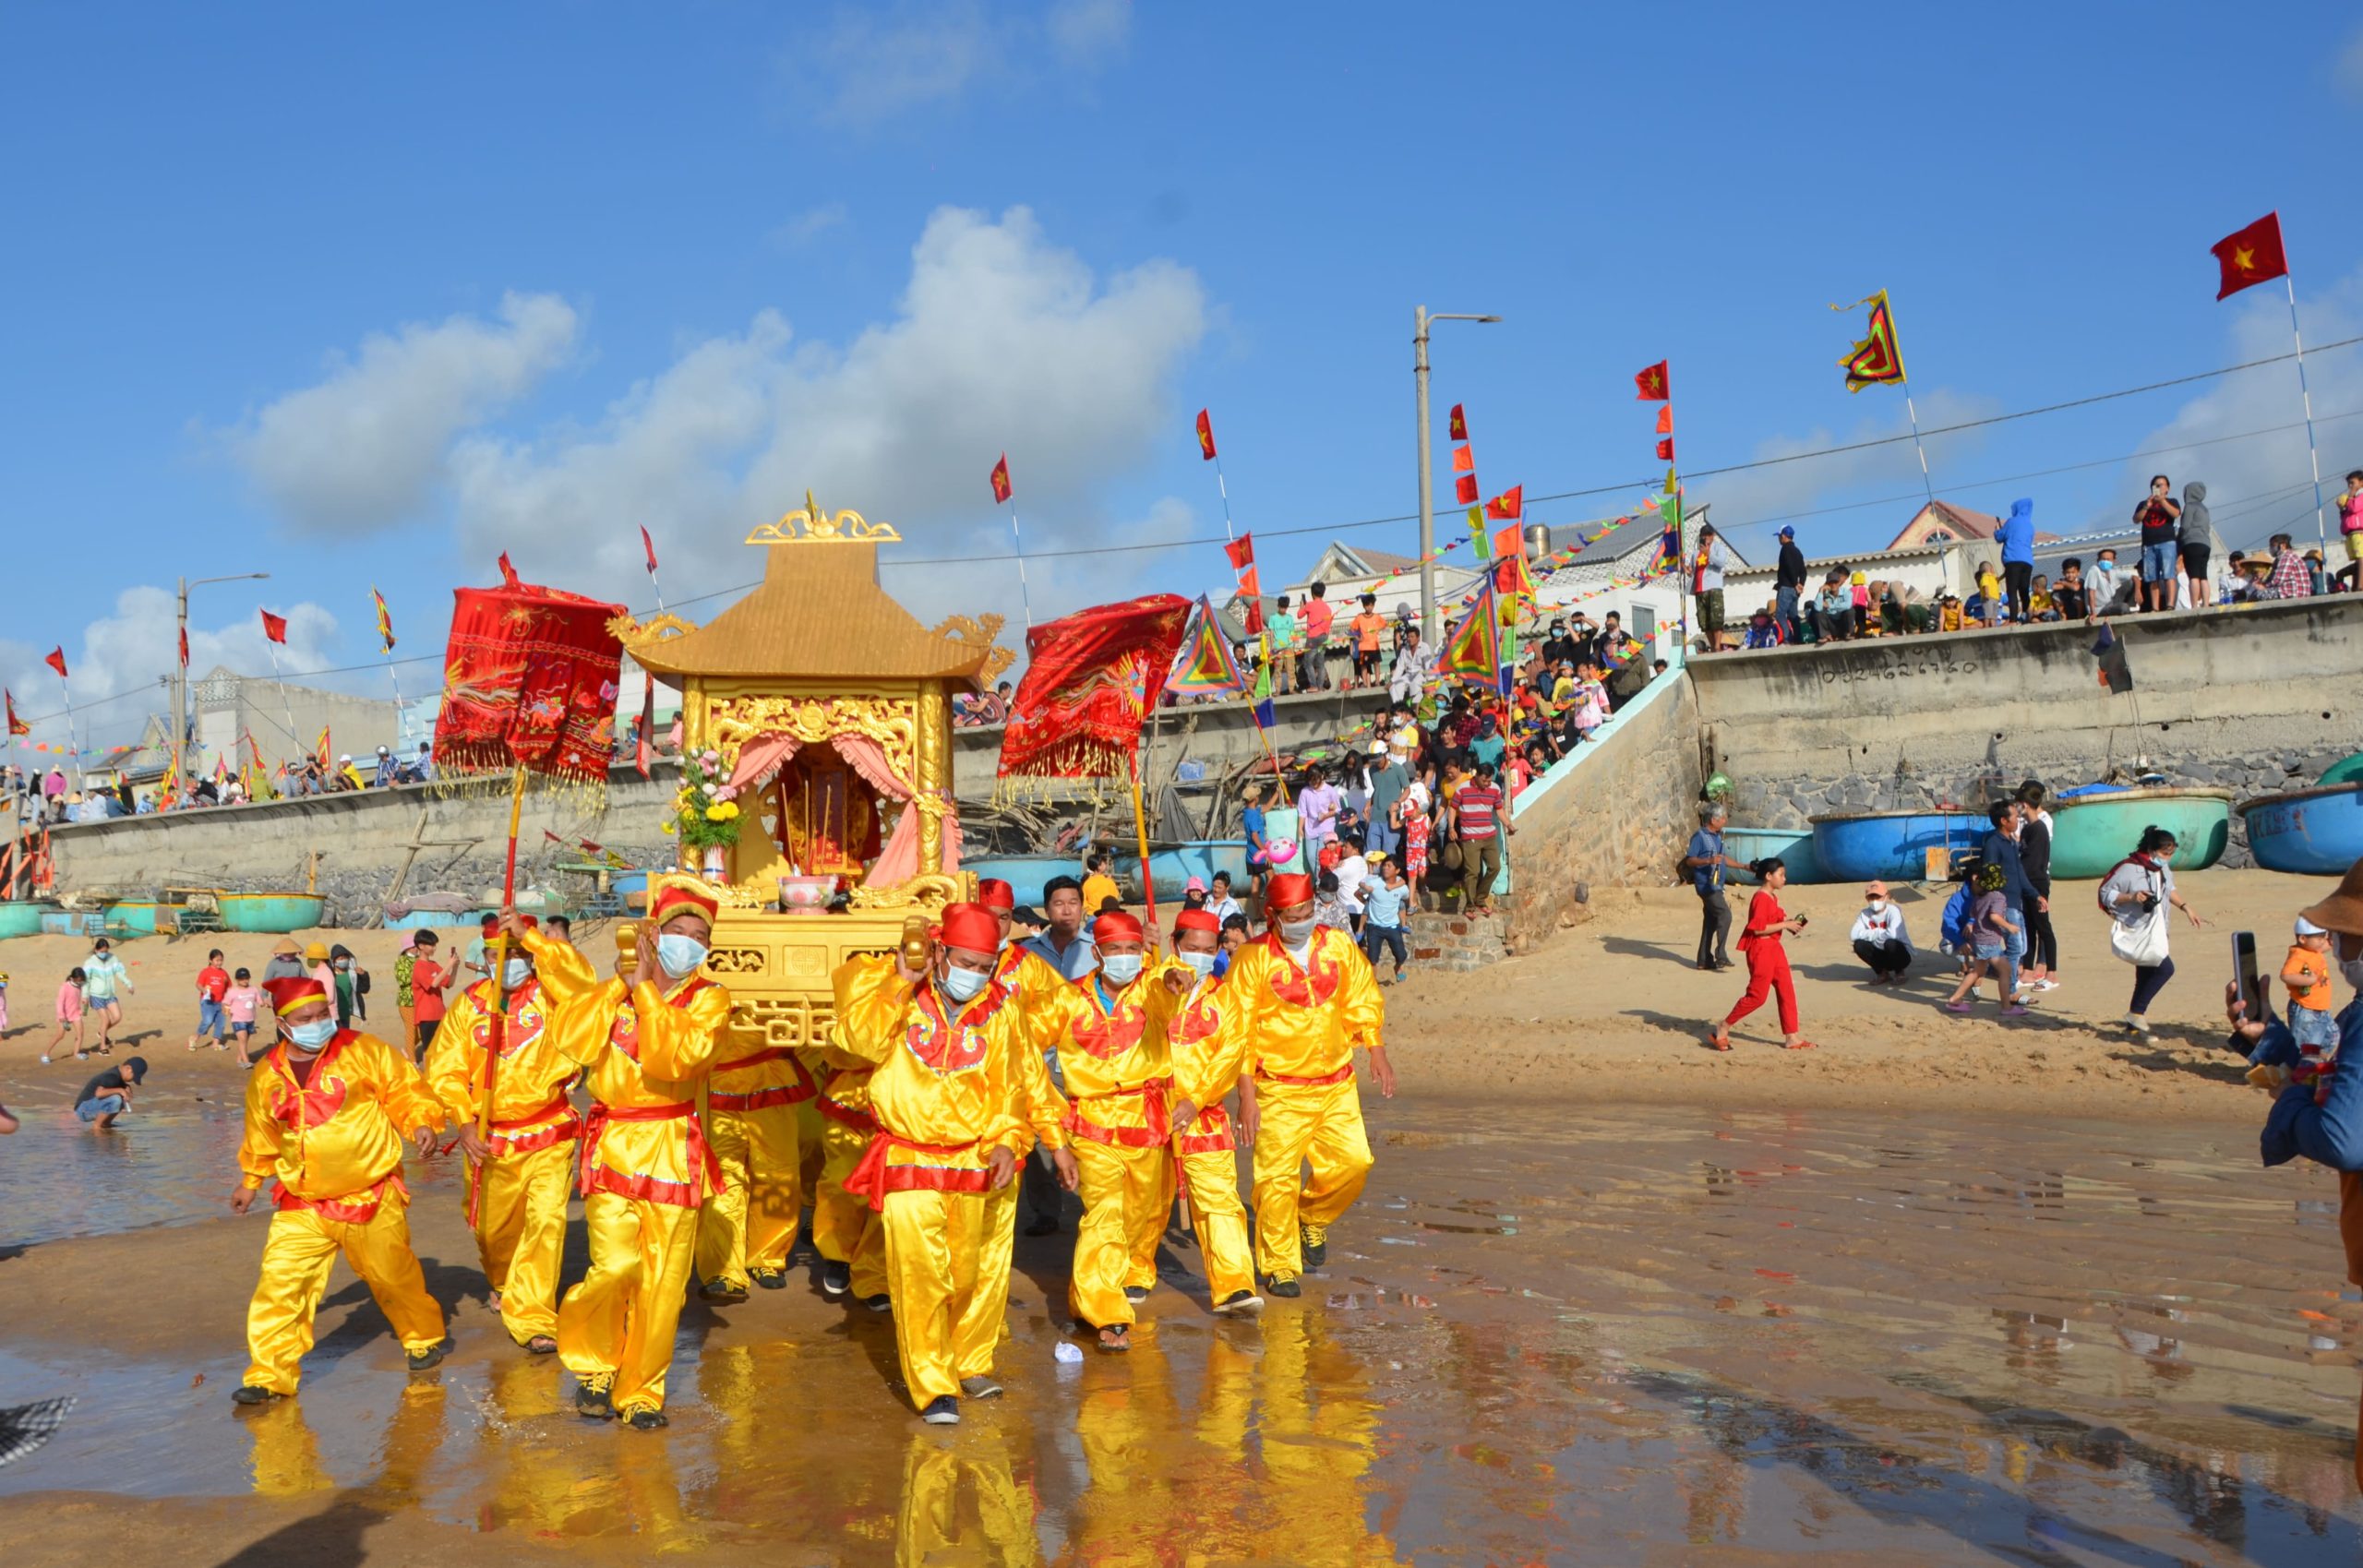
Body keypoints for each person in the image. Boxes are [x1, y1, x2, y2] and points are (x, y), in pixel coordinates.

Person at [830, 903, 1056, 1425]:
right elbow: (852, 1045)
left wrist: (1008, 1139)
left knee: (972, 1271)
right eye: (965, 961)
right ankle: (933, 1386)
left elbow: (1013, 1085)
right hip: (910, 1155)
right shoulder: (897, 997)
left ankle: (971, 1362)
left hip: (974, 1156)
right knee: (920, 1274)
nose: (974, 974)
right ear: (938, 952)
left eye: (985, 964)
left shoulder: (1002, 1012)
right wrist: (899, 984)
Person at [537, 882, 733, 1429]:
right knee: (615, 1266)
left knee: (664, 1282)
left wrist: (646, 993)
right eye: (678, 933)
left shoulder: (711, 999)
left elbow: (679, 1059)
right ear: (652, 934)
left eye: (700, 937)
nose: (689, 944)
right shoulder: (613, 992)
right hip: (615, 1144)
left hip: (673, 1145)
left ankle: (641, 1391)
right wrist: (619, 988)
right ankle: (596, 1365)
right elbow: (571, 1040)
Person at [1171, 871, 1394, 1299]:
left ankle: (1311, 1217)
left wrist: (1375, 1046)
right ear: (1273, 916)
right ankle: (1279, 1264)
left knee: (1354, 1164)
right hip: (1279, 1087)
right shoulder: (1252, 959)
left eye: (1309, 912)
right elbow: (1241, 1032)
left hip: (1336, 1083)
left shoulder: (1338, 945)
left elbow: (1361, 996)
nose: (1304, 921)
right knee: (1275, 1180)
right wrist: (1247, 1098)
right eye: (1294, 915)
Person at [228, 976, 449, 1406]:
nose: (317, 1023)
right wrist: (251, 1181)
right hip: (302, 1201)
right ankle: (270, 1374)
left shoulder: (364, 1051)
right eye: (305, 1018)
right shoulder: (267, 1074)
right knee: (280, 1285)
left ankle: (421, 1337)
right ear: (283, 1023)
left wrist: (420, 1121)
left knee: (392, 1276)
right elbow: (261, 1133)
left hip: (370, 1193)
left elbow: (405, 1090)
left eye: (322, 1014)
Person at [422, 912, 581, 1355]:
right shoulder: (467, 1006)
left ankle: (533, 1316)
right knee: (493, 1233)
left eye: (514, 954)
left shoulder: (553, 996)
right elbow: (444, 1070)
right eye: (496, 953)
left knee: (546, 1222)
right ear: (485, 956)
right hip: (488, 1140)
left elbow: (581, 978)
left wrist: (531, 938)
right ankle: (503, 1281)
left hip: (549, 1130)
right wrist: (465, 1122)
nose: (504, 961)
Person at [1022, 911, 1176, 1352]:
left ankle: (1088, 1293)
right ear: (1097, 953)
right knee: (1103, 1216)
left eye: (1132, 950)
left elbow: (1170, 994)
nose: (1124, 958)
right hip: (1091, 1122)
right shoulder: (1067, 999)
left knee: (1139, 1215)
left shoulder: (1151, 987)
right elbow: (1023, 1040)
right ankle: (1108, 1312)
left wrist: (1168, 972)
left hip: (1145, 1118)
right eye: (1115, 950)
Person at [1161, 909, 1263, 1316]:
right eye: (1191, 949)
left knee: (1220, 1202)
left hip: (1203, 1114)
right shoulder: (1150, 986)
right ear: (1174, 945)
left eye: (1208, 950)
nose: (1199, 957)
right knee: (1143, 1202)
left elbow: (1229, 1057)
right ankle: (1132, 1274)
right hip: (1150, 1112)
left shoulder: (1227, 1000)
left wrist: (1196, 1099)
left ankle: (1234, 1286)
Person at [2098, 825, 2201, 1036]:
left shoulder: (2161, 868)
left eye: (2171, 854)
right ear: (2152, 850)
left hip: (2158, 928)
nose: (2167, 859)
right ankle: (2137, 1014)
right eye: (2164, 854)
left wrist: (2185, 907)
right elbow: (2105, 893)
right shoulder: (2128, 868)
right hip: (2137, 928)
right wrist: (2132, 897)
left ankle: (2132, 1026)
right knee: (2164, 969)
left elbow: (2169, 889)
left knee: (2145, 975)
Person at [1709, 858, 1813, 1051]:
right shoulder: (1760, 898)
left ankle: (1792, 1037)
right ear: (1768, 876)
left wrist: (1789, 924)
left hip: (1774, 948)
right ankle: (1723, 1027)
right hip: (1761, 950)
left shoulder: (1772, 897)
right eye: (1781, 874)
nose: (1784, 878)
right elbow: (1757, 929)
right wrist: (1785, 925)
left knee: (1786, 990)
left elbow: (1771, 922)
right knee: (1757, 996)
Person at [1981, 799, 2042, 1009]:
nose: (2018, 819)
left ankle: (1996, 969)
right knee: (2016, 947)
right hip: (2004, 904)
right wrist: (1995, 903)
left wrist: (2035, 895)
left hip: (2017, 902)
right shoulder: (1993, 844)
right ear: (2003, 820)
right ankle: (2010, 990)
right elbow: (1989, 876)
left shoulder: (2011, 842)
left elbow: (2020, 874)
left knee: (2021, 947)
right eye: (2015, 816)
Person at [1942, 865, 2024, 1015]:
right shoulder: (1998, 897)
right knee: (2006, 970)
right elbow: (1994, 916)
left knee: (1978, 971)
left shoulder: (1978, 897)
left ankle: (1955, 999)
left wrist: (1972, 923)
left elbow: (1973, 914)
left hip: (1977, 940)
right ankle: (2007, 1007)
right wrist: (2009, 926)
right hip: (1989, 941)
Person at [1683, 804, 1745, 972]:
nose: (1725, 821)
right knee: (1725, 914)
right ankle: (1721, 954)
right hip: (1707, 886)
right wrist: (1708, 861)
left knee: (1710, 921)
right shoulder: (1700, 836)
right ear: (1713, 819)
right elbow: (1690, 860)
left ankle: (1704, 960)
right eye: (1723, 818)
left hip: (1717, 884)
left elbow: (1723, 859)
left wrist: (1744, 866)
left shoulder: (1717, 837)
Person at [2285, 916, 2340, 1085]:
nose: (2322, 941)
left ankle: (2316, 1066)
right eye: (2318, 938)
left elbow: (2327, 944)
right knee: (2305, 1047)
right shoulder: (2299, 956)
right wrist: (2308, 980)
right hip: (2306, 1010)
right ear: (2302, 938)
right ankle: (2300, 1074)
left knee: (2332, 1036)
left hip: (2321, 1008)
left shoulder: (2313, 949)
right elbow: (2286, 975)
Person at [2016, 780, 2059, 992]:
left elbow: (2033, 862)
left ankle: (2051, 973)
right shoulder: (2026, 828)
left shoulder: (2041, 827)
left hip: (2038, 883)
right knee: (2029, 927)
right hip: (2027, 883)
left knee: (2044, 927)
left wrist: (2032, 890)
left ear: (2025, 804)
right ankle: (2028, 971)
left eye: (2018, 804)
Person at [1454, 761, 1511, 914]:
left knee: (1495, 867)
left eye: (1489, 780)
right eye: (1484, 780)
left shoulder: (1495, 789)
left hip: (1489, 835)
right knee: (1473, 871)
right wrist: (1451, 828)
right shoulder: (1463, 788)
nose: (1487, 783)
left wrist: (1508, 825)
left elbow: (1499, 810)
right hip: (1470, 835)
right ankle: (1470, 905)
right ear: (1476, 776)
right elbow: (1452, 808)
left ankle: (1481, 898)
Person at [2132, 474, 2182, 612]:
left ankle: (2170, 605)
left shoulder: (2172, 501)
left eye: (2162, 485)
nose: (2159, 487)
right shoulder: (2143, 503)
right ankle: (2155, 607)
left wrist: (2162, 501)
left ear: (2168, 488)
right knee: (2152, 577)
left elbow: (2176, 514)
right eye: (2156, 485)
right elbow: (2136, 519)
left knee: (2168, 574)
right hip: (2149, 545)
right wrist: (2146, 507)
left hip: (2167, 543)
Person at [1849, 880, 1913, 984]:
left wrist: (1871, 937)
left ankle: (1899, 972)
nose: (1874, 901)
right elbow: (1853, 935)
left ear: (1887, 896)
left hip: (1901, 954)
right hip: (1881, 953)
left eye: (1878, 897)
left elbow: (1893, 934)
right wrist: (1878, 932)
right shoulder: (1864, 914)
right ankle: (1882, 973)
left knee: (1890, 943)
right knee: (1859, 945)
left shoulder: (1893, 911)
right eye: (1871, 897)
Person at [1361, 856, 1410, 983]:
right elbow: (1358, 892)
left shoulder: (1402, 887)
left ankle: (1398, 967)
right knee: (1373, 959)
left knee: (1402, 955)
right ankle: (1372, 983)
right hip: (1374, 926)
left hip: (1393, 926)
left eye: (1389, 866)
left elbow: (1404, 898)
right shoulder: (1374, 883)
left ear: (1397, 870)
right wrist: (1368, 903)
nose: (1385, 868)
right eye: (1384, 865)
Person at [407, 930, 453, 1060]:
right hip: (426, 1016)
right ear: (421, 946)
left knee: (441, 1048)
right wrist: (449, 965)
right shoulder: (419, 967)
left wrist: (454, 967)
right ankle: (428, 1075)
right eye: (431, 945)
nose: (434, 948)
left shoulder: (433, 965)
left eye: (434, 945)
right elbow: (433, 983)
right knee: (429, 1050)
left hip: (440, 1013)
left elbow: (449, 983)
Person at [80, 937, 130, 1054]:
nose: (104, 954)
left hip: (110, 994)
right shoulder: (90, 963)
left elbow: (120, 972)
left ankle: (101, 1032)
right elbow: (86, 981)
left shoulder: (113, 959)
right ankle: (102, 1047)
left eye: (106, 951)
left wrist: (128, 984)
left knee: (118, 1017)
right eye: (102, 952)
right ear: (96, 950)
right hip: (96, 995)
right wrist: (84, 996)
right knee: (105, 1019)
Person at [75, 1054, 148, 1130]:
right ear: (128, 1069)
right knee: (116, 1099)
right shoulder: (111, 1076)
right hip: (83, 1110)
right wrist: (121, 1090)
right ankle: (97, 1127)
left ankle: (105, 1124)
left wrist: (127, 1090)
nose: (132, 1080)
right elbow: (99, 1093)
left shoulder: (119, 1078)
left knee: (122, 1098)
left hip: (90, 1107)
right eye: (133, 1077)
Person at [1364, 741, 1409, 861]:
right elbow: (1378, 789)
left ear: (1385, 755)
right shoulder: (1372, 771)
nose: (1376, 764)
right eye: (1373, 761)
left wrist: (1398, 802)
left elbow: (1407, 790)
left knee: (1388, 855)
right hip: (1375, 818)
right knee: (1371, 855)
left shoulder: (1398, 769)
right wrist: (1369, 803)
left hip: (1390, 819)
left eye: (1378, 760)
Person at [186, 948, 233, 1052]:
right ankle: (194, 1038)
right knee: (208, 1020)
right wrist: (204, 990)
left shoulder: (224, 973)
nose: (219, 963)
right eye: (217, 960)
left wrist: (229, 1001)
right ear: (210, 960)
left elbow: (229, 987)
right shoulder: (206, 972)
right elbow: (198, 984)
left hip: (221, 1002)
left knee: (221, 1023)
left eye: (221, 960)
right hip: (207, 1001)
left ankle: (215, 1043)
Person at [1694, 522, 1732, 650]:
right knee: (1704, 622)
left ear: (1713, 535)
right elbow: (1693, 570)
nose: (1706, 538)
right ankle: (1713, 645)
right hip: (1699, 589)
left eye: (1708, 535)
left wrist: (1708, 553)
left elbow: (1721, 562)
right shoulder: (1696, 553)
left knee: (1716, 619)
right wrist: (1687, 570)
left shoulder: (1718, 548)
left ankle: (1717, 646)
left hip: (1714, 588)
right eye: (1703, 535)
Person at [2178, 482, 2216, 606]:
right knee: (2203, 576)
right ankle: (2206, 604)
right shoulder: (2204, 508)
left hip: (2191, 542)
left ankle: (2194, 605)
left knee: (2193, 576)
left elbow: (2185, 526)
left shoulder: (2189, 506)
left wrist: (2178, 539)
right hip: (2205, 543)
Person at [2000, 498, 2035, 622]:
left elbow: (2000, 536)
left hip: (2013, 560)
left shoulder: (2011, 522)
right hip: (2027, 561)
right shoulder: (2030, 525)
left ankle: (2013, 619)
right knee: (2024, 590)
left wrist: (1996, 530)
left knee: (2012, 590)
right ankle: (2028, 616)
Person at [1299, 581, 1335, 692]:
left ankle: (1313, 685)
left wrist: (1302, 607)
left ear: (1312, 593)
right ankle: (1320, 687)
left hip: (1312, 637)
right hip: (1324, 637)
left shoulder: (1309, 605)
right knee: (1320, 663)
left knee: (1308, 662)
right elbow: (1329, 624)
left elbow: (1299, 615)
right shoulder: (1328, 608)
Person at [1299, 768, 1342, 856]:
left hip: (1326, 828)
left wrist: (1326, 816)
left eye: (1315, 780)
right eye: (1310, 781)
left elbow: (1338, 809)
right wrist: (1300, 828)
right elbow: (1302, 812)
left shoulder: (1330, 790)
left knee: (1321, 856)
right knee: (1311, 857)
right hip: (1310, 829)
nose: (1313, 783)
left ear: (1322, 776)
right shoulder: (1305, 792)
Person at [1774, 525, 1806, 642]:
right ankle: (1798, 639)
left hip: (1787, 588)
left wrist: (1794, 583)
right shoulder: (1797, 551)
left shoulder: (1785, 549)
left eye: (1779, 537)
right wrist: (1800, 584)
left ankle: (1788, 638)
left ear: (1783, 536)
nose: (1778, 539)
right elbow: (1803, 571)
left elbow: (1789, 567)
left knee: (1779, 615)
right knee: (1793, 616)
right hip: (1795, 590)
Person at [1349, 593, 1386, 689]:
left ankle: (1377, 682)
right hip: (1363, 646)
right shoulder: (1359, 617)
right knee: (1364, 666)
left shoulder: (1377, 617)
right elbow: (1352, 629)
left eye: (1371, 605)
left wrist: (1378, 630)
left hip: (1375, 645)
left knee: (1377, 663)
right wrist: (1357, 638)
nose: (1369, 608)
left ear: (1374, 605)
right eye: (1367, 605)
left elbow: (1384, 624)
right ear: (1363, 606)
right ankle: (1365, 683)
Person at [223, 967, 261, 1057]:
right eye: (242, 978)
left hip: (250, 1019)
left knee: (244, 1041)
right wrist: (226, 1010)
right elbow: (226, 1003)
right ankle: (246, 1061)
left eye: (246, 978)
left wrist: (266, 1003)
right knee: (242, 1038)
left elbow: (260, 1001)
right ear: (237, 979)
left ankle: (239, 1060)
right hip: (237, 1019)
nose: (245, 980)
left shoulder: (253, 989)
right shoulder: (232, 991)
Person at [2264, 533, 2314, 600]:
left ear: (2283, 546)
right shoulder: (2281, 559)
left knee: (2259, 594)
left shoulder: (2287, 557)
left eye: (2273, 545)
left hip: (2293, 593)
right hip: (2294, 593)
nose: (2271, 548)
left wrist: (2264, 586)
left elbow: (2279, 580)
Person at [329, 944, 367, 1029]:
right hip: (332, 1013)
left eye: (345, 958)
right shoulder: (329, 975)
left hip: (346, 1012)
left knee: (344, 1036)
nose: (344, 960)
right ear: (334, 961)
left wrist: (364, 975)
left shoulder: (352, 975)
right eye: (341, 958)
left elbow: (364, 989)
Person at [1266, 595, 1298, 696]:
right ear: (1278, 606)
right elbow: (1271, 633)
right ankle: (1278, 690)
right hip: (1277, 648)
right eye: (1282, 607)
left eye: (1285, 608)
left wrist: (1293, 646)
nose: (1283, 609)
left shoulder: (1290, 618)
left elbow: (1292, 632)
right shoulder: (1273, 618)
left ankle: (1292, 689)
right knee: (1278, 669)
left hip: (1289, 646)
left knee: (1291, 669)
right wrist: (1272, 647)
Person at [2339, 469, 2363, 594]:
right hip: (2351, 534)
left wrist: (2351, 495)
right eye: (2349, 484)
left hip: (2360, 533)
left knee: (2361, 558)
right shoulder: (2352, 499)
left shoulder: (2360, 496)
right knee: (2357, 560)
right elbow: (2346, 516)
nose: (2350, 486)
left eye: (2352, 483)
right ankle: (2355, 585)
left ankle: (2360, 585)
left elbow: (2354, 508)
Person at [1081, 851, 1122, 920]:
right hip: (1108, 915)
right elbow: (1115, 898)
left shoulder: (1086, 883)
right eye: (1104, 863)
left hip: (1092, 915)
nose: (1106, 865)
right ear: (1099, 866)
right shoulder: (1109, 882)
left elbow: (1083, 901)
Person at [2052, 558, 2092, 623]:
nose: (2070, 575)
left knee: (2079, 595)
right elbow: (2054, 587)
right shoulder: (2061, 580)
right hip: (2066, 606)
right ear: (2063, 573)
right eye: (2068, 573)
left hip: (2078, 609)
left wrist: (2064, 584)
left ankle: (2079, 617)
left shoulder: (2080, 581)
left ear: (2078, 573)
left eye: (2073, 572)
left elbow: (2076, 588)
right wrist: (2070, 586)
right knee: (2055, 595)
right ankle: (2063, 615)